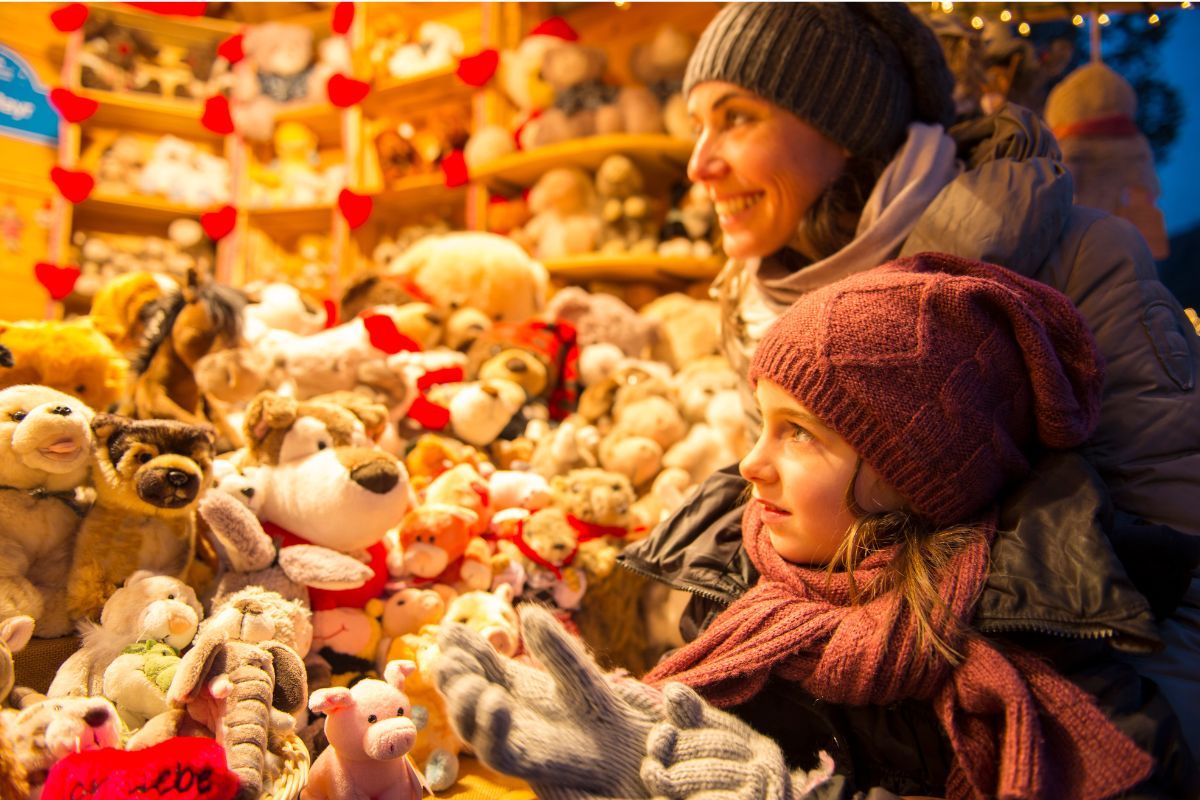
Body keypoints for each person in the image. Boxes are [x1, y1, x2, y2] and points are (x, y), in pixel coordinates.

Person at [436, 253, 1196, 799]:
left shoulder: (1056, 696)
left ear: (916, 473)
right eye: (761, 423)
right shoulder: (726, 594)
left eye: (801, 433)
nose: (751, 466)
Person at [674, 2, 1200, 747]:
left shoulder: (1072, 261)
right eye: (695, 124)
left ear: (846, 131)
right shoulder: (752, 301)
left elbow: (1182, 579)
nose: (698, 162)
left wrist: (1131, 761)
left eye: (736, 118)